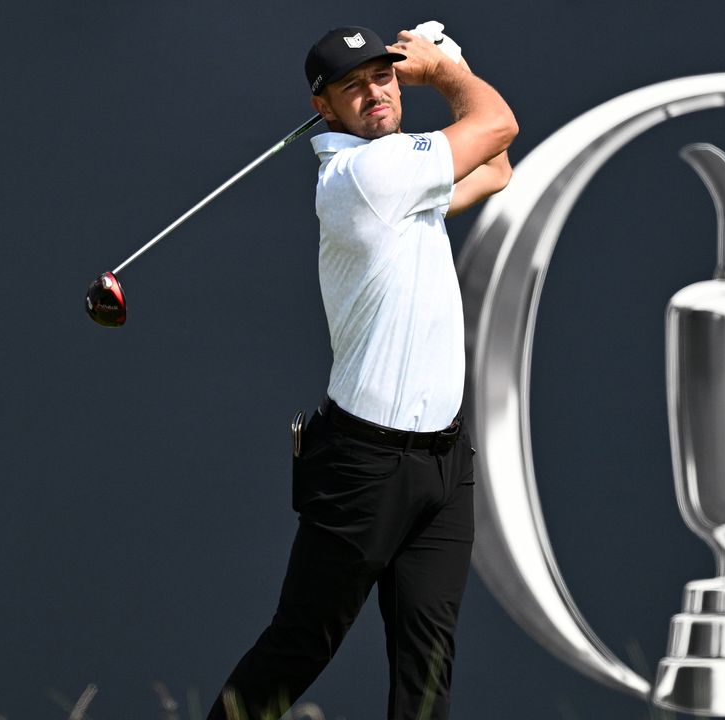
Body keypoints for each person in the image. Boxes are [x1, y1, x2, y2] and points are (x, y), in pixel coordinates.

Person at [207, 24, 517, 720]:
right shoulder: (368, 176)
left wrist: (454, 65)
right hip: (365, 465)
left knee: (427, 671)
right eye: (353, 87)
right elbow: (496, 123)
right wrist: (440, 72)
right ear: (324, 109)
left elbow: (498, 166)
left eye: (384, 76)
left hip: (444, 464)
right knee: (299, 647)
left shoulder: (407, 179)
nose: (376, 93)